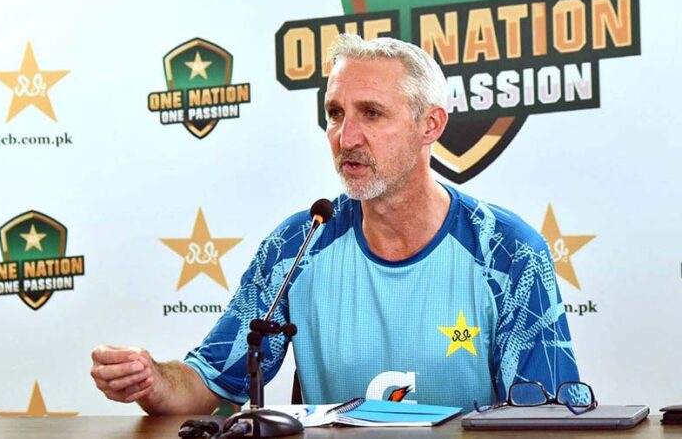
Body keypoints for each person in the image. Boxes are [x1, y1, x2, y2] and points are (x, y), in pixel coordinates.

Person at [90, 34, 579, 414]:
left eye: (371, 114)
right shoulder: (298, 244)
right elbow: (211, 383)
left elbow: (550, 420)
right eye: (335, 114)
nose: (346, 137)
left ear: (430, 125)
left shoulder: (507, 253)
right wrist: (152, 379)